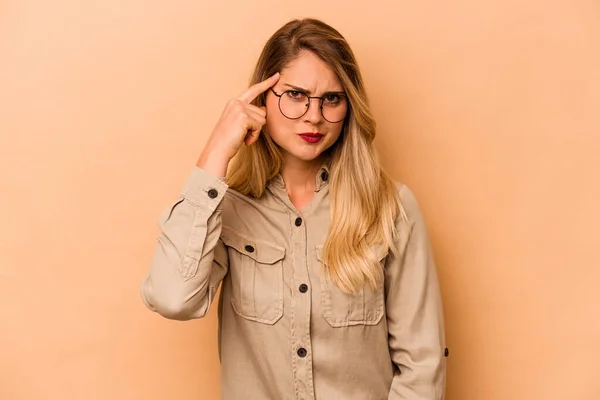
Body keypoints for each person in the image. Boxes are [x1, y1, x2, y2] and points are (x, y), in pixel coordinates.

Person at [140, 18, 448, 400]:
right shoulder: (228, 208)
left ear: (350, 106)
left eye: (331, 99)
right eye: (296, 95)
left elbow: (423, 364)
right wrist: (216, 150)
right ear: (262, 98)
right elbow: (173, 298)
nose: (314, 116)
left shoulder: (390, 207)